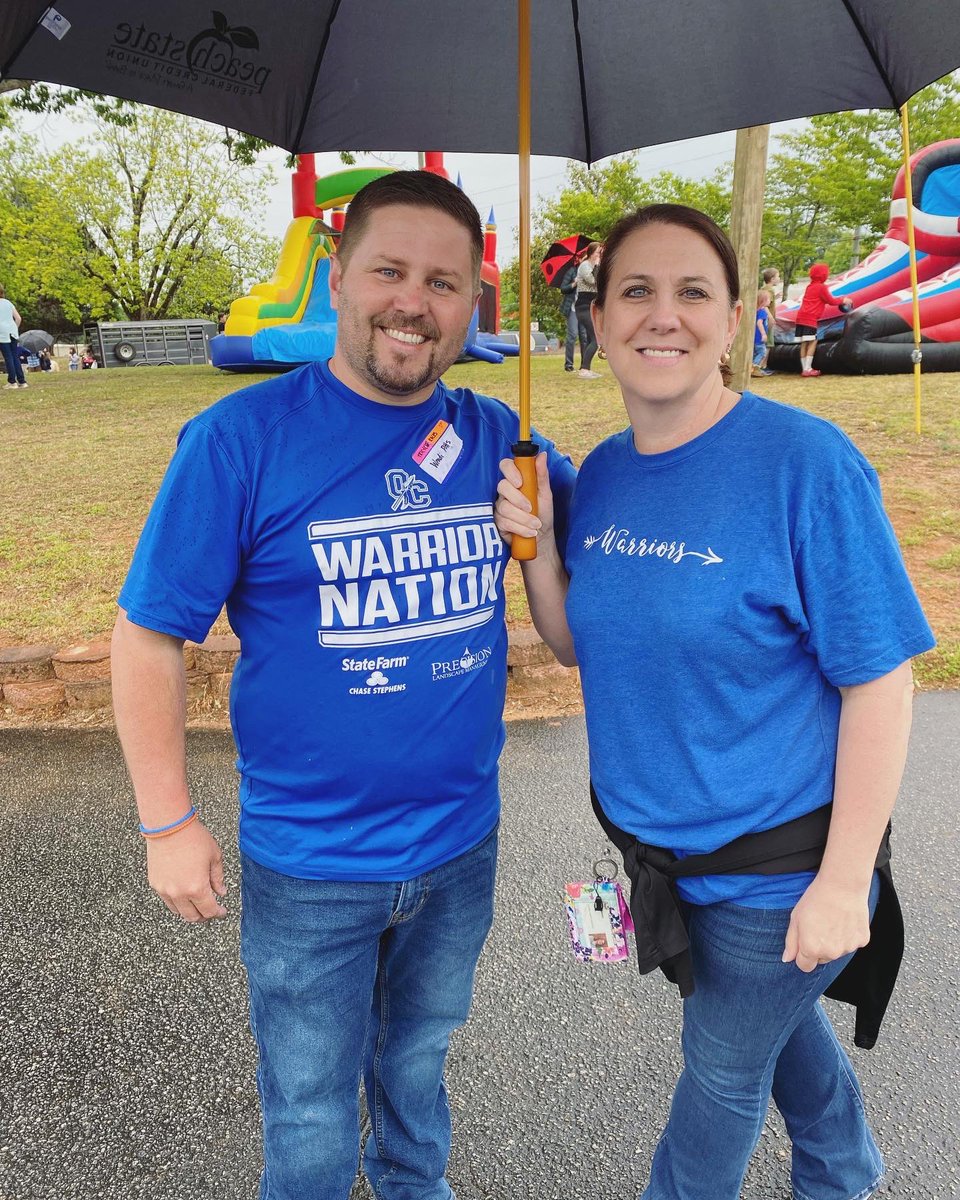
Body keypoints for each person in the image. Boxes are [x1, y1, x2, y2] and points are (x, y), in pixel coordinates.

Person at [111, 170, 576, 1200]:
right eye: (390, 271)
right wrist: (165, 823)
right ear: (337, 275)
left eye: (445, 281)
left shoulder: (508, 440)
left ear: (475, 301)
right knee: (312, 1104)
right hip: (311, 862)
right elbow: (146, 638)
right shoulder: (239, 441)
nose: (415, 302)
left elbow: (577, 633)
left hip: (461, 845)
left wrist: (538, 546)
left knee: (418, 1064)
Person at [494, 203, 934, 1200]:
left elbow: (880, 681)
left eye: (694, 291)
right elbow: (574, 648)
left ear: (735, 319)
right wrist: (540, 551)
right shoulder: (602, 472)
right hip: (655, 858)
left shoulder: (805, 466)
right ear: (597, 320)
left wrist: (841, 882)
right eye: (635, 291)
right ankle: (845, 1169)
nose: (664, 315)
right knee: (763, 1034)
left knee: (720, 1075)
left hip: (776, 868)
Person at [795, 262, 843, 377]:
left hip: (801, 317)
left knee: (804, 343)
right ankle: (808, 368)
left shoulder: (809, 287)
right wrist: (843, 300)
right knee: (813, 341)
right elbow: (831, 301)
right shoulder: (822, 287)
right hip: (810, 318)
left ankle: (804, 368)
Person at [574, 241, 603, 378]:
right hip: (584, 306)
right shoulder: (585, 266)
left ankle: (585, 368)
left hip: (593, 305)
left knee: (593, 337)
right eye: (598, 252)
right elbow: (593, 281)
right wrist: (597, 265)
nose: (600, 255)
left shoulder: (596, 266)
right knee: (595, 338)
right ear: (591, 253)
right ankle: (584, 370)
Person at [0, 284, 27, 390]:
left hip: (2, 333)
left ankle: (12, 382)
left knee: (8, 357)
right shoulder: (8, 303)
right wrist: (14, 329)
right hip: (12, 332)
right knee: (14, 356)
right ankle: (22, 381)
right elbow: (18, 318)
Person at [559, 257, 581, 372]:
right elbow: (563, 289)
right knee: (572, 335)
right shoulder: (572, 271)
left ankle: (584, 366)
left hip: (584, 308)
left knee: (585, 337)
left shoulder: (591, 271)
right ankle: (569, 364)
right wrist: (574, 284)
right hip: (572, 308)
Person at [751, 288, 773, 377]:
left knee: (756, 353)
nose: (770, 301)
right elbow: (759, 323)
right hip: (759, 337)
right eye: (768, 299)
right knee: (762, 352)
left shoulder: (756, 311)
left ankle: (754, 367)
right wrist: (763, 334)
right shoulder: (762, 312)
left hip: (755, 336)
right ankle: (754, 367)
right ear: (763, 301)